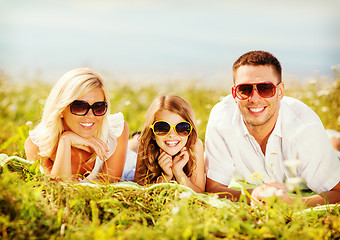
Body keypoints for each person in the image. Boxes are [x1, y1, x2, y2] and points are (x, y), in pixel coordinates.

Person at [204, 50, 340, 206]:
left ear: (280, 92)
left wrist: (290, 203)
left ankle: (334, 141)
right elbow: (214, 187)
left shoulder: (305, 127)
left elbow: (338, 191)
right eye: (245, 90)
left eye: (265, 88)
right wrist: (253, 195)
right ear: (234, 94)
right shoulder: (222, 119)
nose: (254, 99)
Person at [24, 67, 129, 183]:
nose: (90, 116)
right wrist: (66, 140)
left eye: (98, 107)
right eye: (80, 106)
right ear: (61, 110)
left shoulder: (115, 133)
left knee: (135, 144)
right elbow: (57, 191)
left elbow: (108, 189)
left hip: (129, 163)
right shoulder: (38, 145)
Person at [134, 95, 205, 193]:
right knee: (132, 145)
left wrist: (178, 172)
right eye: (162, 128)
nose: (172, 135)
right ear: (152, 134)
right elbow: (139, 189)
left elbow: (199, 192)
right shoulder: (145, 143)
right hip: (139, 147)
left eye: (182, 128)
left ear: (190, 130)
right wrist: (166, 176)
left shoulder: (195, 145)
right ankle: (134, 137)